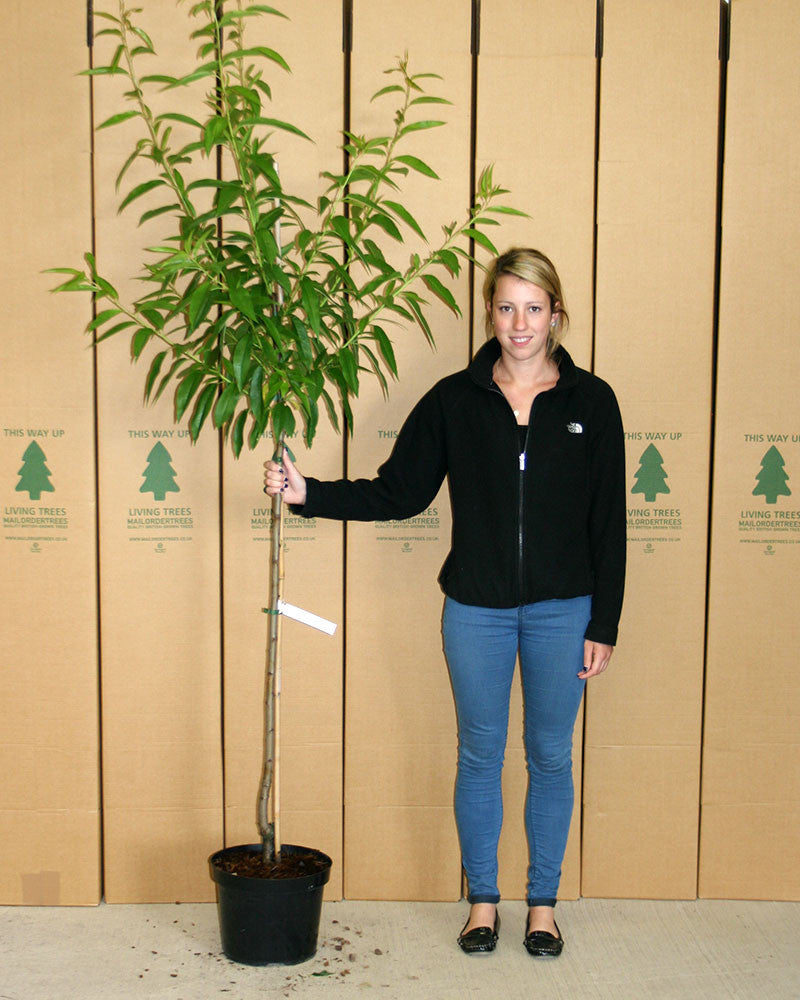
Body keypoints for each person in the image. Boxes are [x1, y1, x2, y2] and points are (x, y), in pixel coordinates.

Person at [264, 248, 626, 958]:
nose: (519, 323)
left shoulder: (593, 402)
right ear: (489, 312)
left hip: (564, 612)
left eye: (533, 307)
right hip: (476, 612)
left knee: (551, 756)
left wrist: (603, 620)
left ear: (557, 314)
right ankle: (484, 901)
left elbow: (609, 522)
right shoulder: (455, 400)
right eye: (505, 307)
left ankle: (543, 905)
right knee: (480, 756)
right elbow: (400, 493)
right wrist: (311, 497)